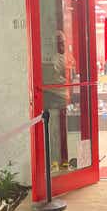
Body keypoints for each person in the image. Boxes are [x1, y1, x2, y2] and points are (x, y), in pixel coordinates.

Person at [42, 31, 70, 171]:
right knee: (54, 131)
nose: (62, 45)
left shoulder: (65, 57)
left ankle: (63, 159)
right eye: (59, 43)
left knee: (62, 130)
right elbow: (53, 77)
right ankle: (55, 160)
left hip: (62, 97)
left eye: (63, 42)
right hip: (54, 97)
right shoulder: (54, 59)